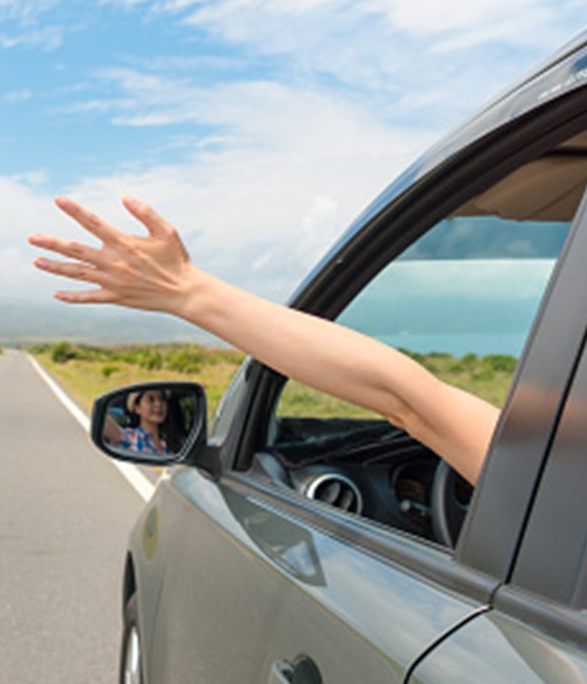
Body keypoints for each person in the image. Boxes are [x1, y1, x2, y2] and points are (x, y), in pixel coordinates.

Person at [28, 196, 498, 485]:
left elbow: (408, 399)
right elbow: (405, 400)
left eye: (157, 400)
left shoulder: (540, 480)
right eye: (147, 401)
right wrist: (182, 291)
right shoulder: (562, 491)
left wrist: (185, 292)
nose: (154, 406)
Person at [104, 387, 177, 455]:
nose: (158, 404)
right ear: (137, 408)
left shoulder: (174, 439)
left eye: (162, 399)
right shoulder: (131, 437)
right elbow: (103, 420)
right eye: (151, 399)